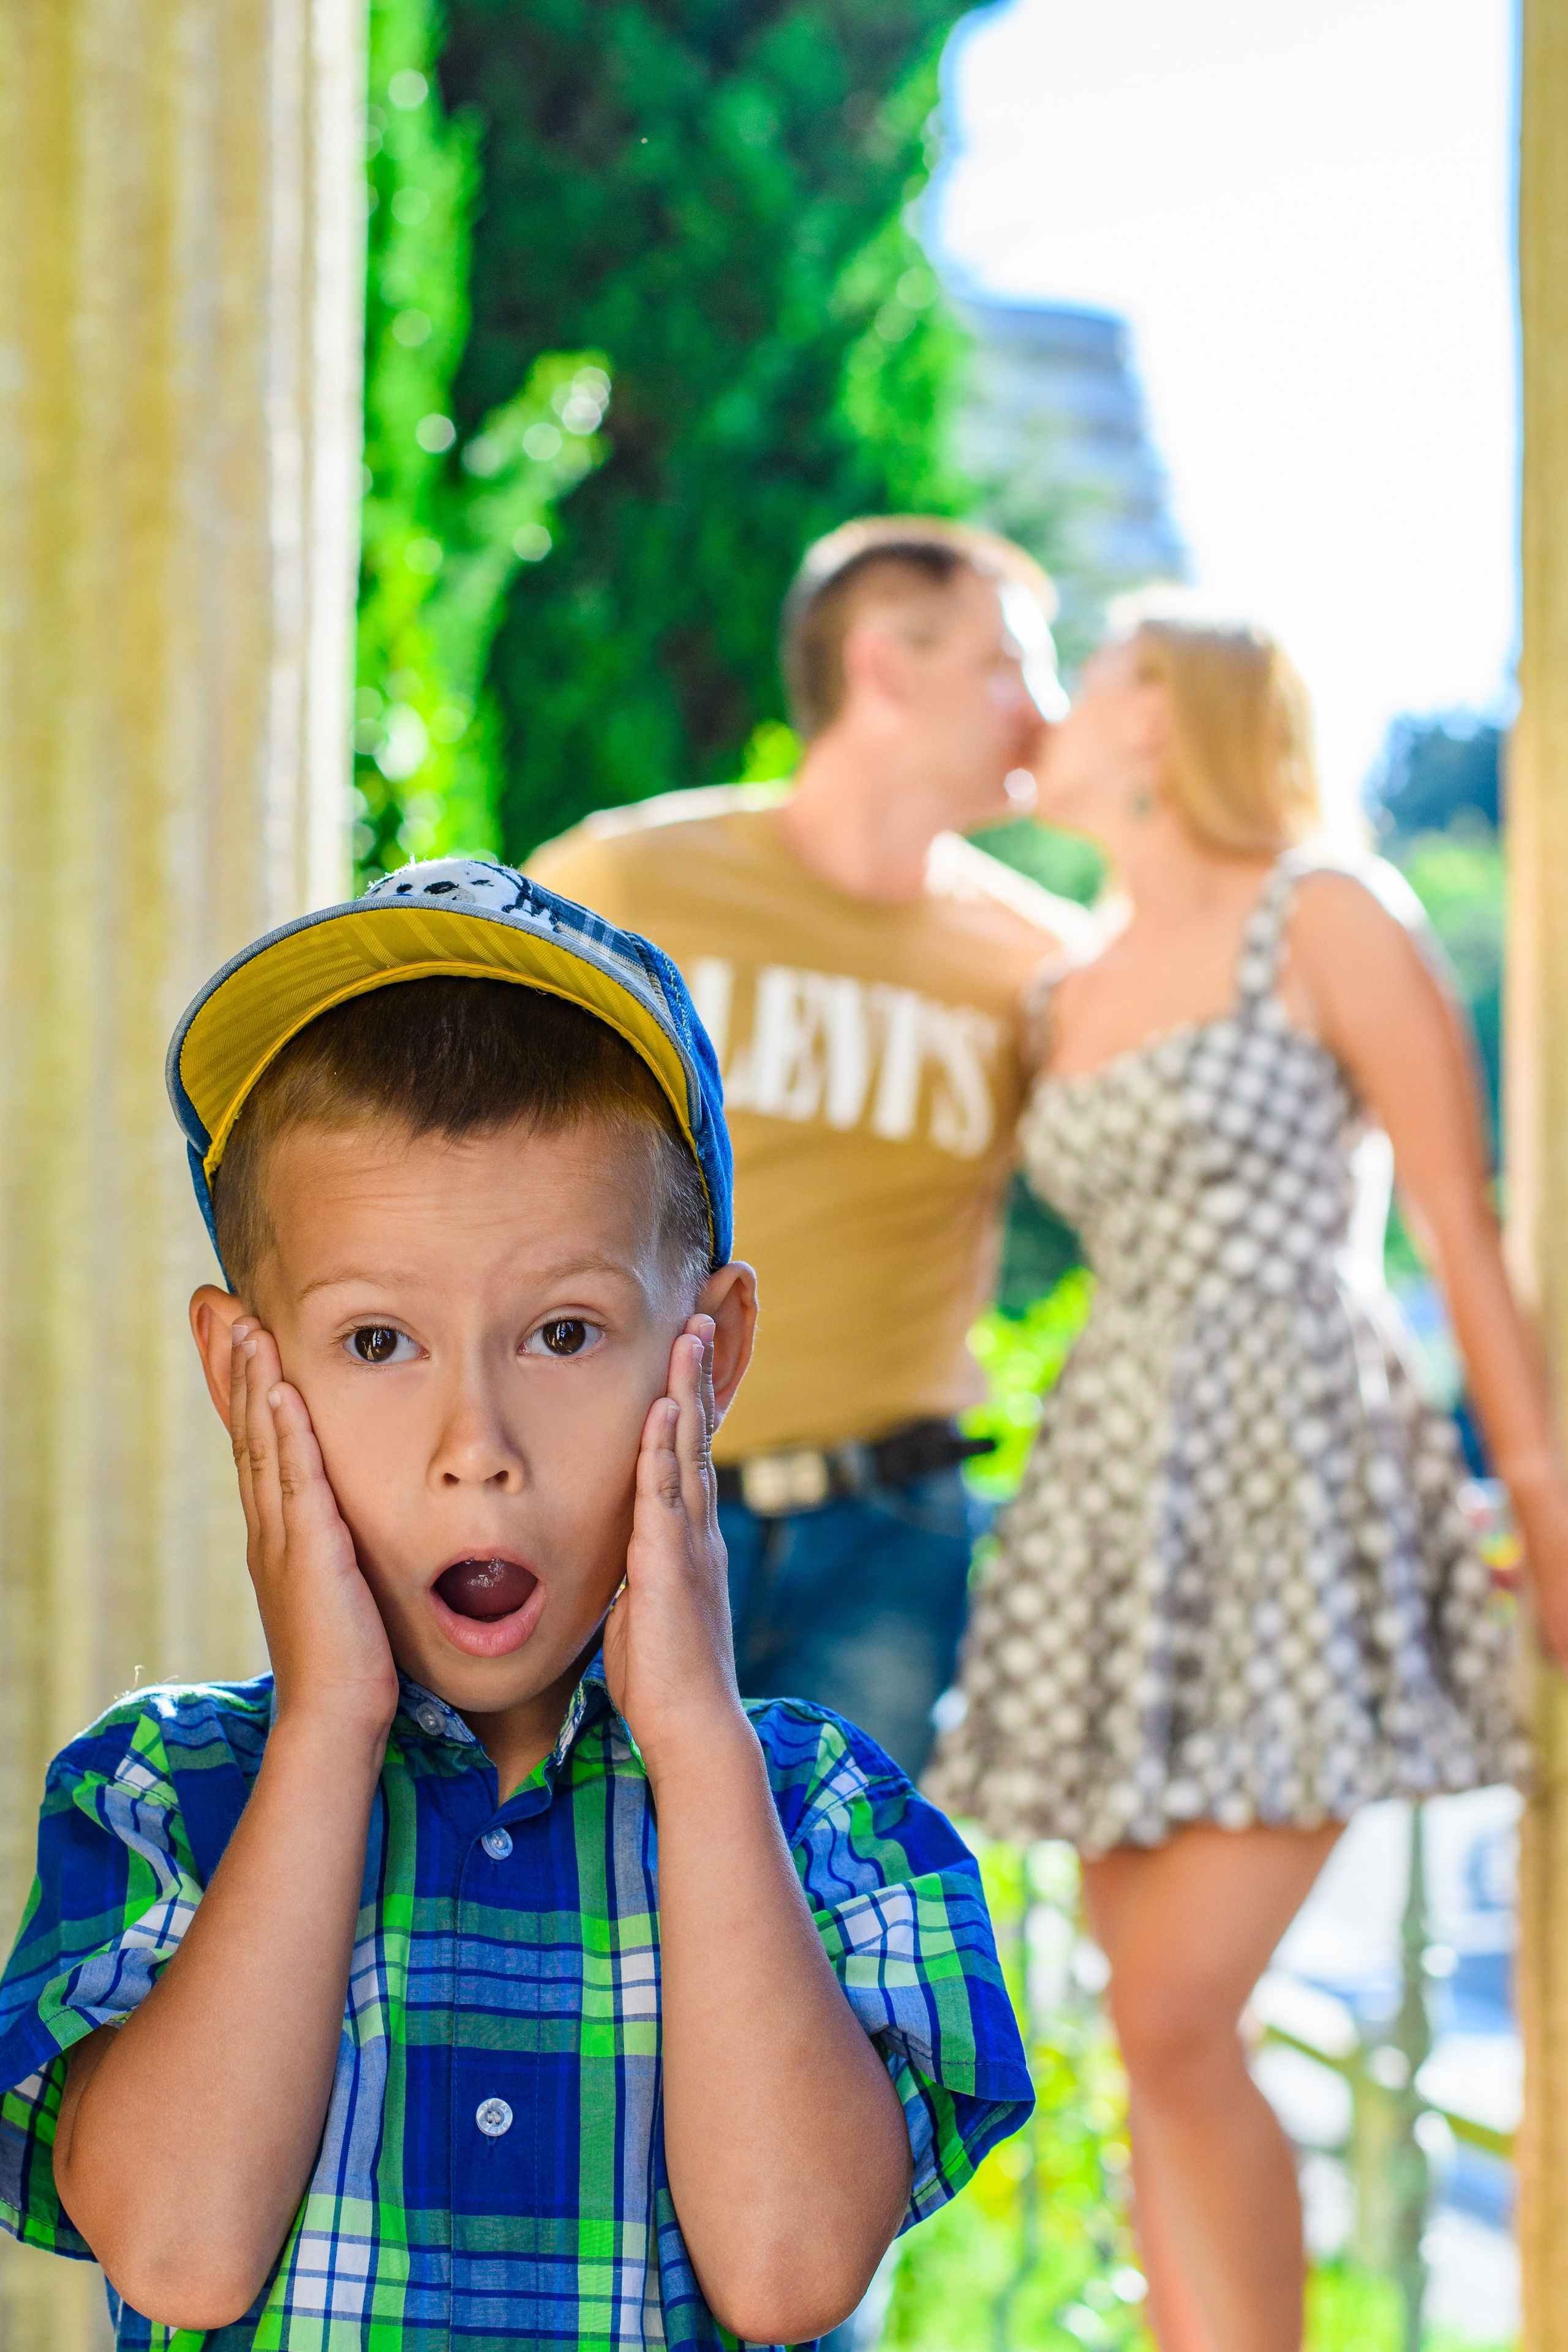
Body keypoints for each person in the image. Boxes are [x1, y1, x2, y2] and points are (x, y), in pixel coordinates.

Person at [0, 857, 1034, 2350]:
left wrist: (692, 1740)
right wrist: (323, 1735)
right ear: (247, 1377)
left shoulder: (813, 1817)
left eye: (561, 1331)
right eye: (375, 1342)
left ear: (709, 1350)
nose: (472, 1446)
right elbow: (177, 2253)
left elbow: (792, 2275)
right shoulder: (164, 1798)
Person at [925, 611, 1561, 2352]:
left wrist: (1540, 1485)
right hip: (1119, 1489)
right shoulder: (1060, 975)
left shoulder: (1327, 907)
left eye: (1093, 675)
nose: (1050, 707)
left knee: (1185, 2007)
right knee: (1147, 2026)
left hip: (1298, 1463)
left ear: (1169, 720)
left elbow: (1456, 1212)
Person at [529, 517, 1095, 1777]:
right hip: (616, 1507)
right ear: (887, 662)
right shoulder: (620, 879)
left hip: (888, 1547)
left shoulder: (1040, 962)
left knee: (817, 1940)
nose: (1044, 714)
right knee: (581, 1928)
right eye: (1012, 666)